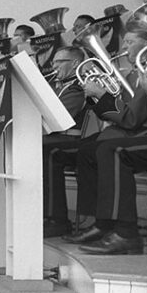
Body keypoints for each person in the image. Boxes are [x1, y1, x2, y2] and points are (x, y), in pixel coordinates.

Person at [63, 25, 147, 253]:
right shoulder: (133, 74)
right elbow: (120, 110)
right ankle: (102, 223)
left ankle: (125, 232)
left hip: (146, 133)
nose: (124, 48)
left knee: (110, 150)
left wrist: (101, 95)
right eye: (124, 42)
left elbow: (131, 118)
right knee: (88, 150)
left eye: (130, 42)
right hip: (136, 131)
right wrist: (96, 96)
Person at [41, 46, 89, 237]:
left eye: (59, 62)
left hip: (71, 139)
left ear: (75, 63)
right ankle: (42, 214)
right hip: (57, 138)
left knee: (47, 151)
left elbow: (59, 119)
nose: (54, 66)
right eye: (53, 62)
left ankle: (57, 219)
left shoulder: (77, 87)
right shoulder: (59, 85)